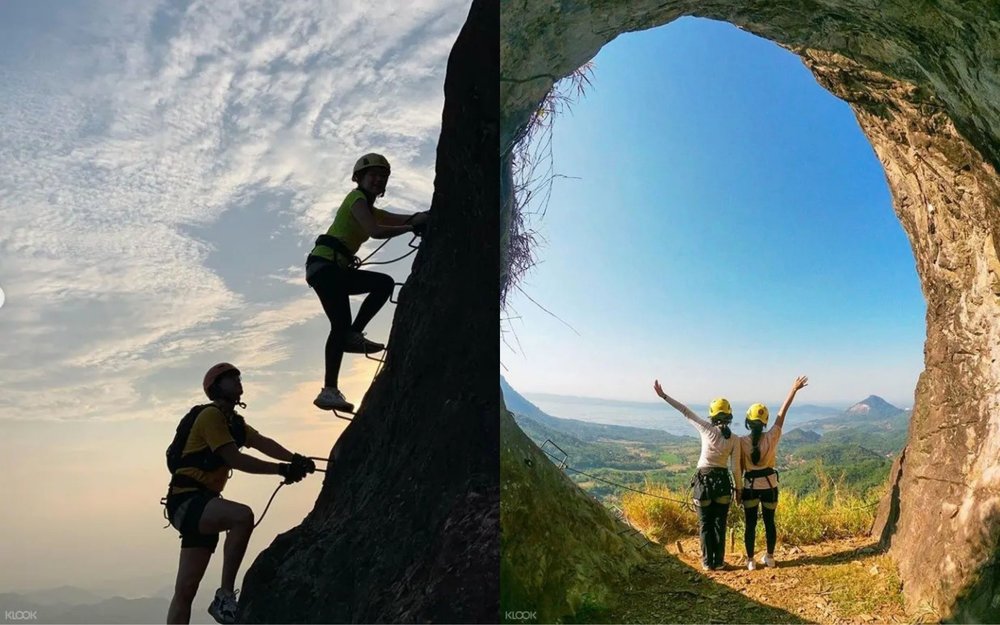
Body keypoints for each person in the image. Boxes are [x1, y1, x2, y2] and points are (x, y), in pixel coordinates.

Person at [163, 363, 317, 624]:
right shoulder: (211, 417)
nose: (237, 380)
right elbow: (235, 459)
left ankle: (221, 599)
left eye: (237, 377)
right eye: (230, 378)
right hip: (189, 501)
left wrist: (295, 459)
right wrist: (282, 469)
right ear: (216, 387)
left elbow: (263, 443)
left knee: (186, 590)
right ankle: (225, 596)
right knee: (242, 517)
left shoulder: (234, 423)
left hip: (197, 505)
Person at [305, 153, 429, 413]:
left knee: (371, 294)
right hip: (326, 267)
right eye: (373, 175)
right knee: (347, 318)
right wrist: (410, 228)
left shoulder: (370, 207)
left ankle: (337, 372)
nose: (379, 179)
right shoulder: (356, 200)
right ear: (359, 178)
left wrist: (422, 217)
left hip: (328, 269)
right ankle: (332, 382)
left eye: (383, 176)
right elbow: (376, 230)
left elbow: (404, 218)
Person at [653, 380, 741, 570]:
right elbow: (735, 469)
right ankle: (718, 563)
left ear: (712, 415)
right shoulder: (735, 440)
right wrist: (739, 490)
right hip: (723, 484)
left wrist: (664, 396)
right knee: (719, 524)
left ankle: (707, 563)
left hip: (703, 482)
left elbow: (685, 411)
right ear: (729, 416)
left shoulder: (705, 428)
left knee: (705, 525)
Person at [739, 375, 809, 570]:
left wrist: (738, 489)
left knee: (750, 524)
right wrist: (793, 389)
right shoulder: (772, 436)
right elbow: (782, 413)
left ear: (747, 421)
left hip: (750, 488)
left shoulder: (741, 442)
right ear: (764, 422)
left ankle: (751, 561)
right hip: (770, 486)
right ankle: (770, 558)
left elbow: (739, 468)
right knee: (770, 522)